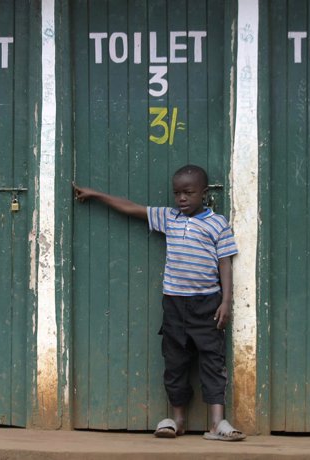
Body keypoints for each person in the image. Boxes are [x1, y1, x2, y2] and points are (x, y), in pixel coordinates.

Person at [73, 164, 246, 442]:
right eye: (177, 193)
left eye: (188, 193)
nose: (181, 199)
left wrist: (226, 301)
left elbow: (224, 262)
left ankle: (216, 423)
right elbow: (131, 208)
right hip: (175, 305)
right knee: (175, 362)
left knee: (213, 362)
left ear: (204, 193)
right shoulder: (169, 217)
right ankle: (177, 421)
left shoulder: (218, 223)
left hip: (208, 305)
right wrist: (96, 194)